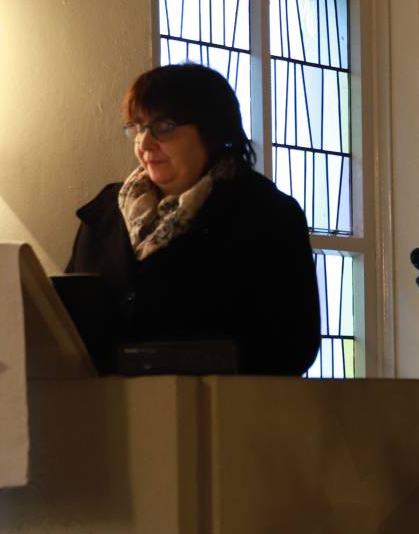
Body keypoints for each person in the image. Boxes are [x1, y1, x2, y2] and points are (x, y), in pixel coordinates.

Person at [66, 63, 320, 375]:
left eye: (164, 127)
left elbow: (292, 345)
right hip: (107, 414)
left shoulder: (264, 215)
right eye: (137, 127)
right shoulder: (104, 214)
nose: (144, 145)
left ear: (211, 131)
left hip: (220, 414)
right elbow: (65, 328)